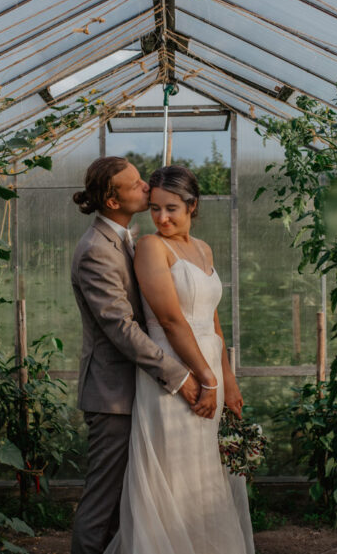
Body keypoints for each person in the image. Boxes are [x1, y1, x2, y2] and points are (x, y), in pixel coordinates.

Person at [103, 164, 254, 554]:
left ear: (192, 205)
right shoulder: (151, 247)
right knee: (177, 470)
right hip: (175, 375)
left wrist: (227, 382)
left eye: (171, 208)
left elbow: (213, 322)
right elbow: (171, 321)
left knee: (205, 472)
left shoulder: (203, 249)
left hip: (210, 370)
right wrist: (206, 380)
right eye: (155, 208)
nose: (162, 218)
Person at [69, 157, 205, 554]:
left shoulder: (127, 238)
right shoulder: (96, 250)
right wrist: (179, 375)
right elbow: (121, 328)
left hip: (139, 390)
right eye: (135, 185)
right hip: (113, 396)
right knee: (104, 502)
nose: (146, 185)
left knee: (130, 501)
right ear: (113, 202)